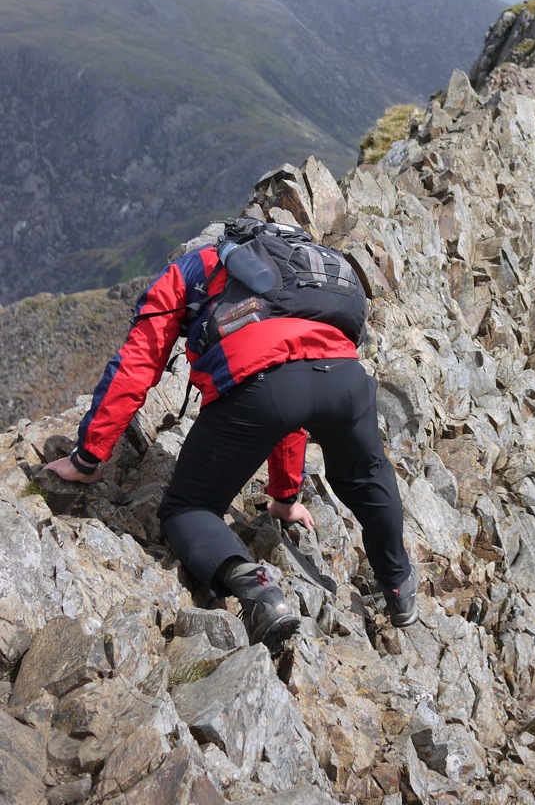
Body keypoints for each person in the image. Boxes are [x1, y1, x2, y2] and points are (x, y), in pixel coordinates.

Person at [44, 224, 418, 654]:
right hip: (348, 380)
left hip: (262, 386)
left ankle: (259, 594)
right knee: (367, 476)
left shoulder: (191, 269)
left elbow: (137, 364)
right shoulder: (301, 284)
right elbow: (295, 402)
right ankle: (399, 586)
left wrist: (89, 456)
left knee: (188, 508)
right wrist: (284, 497)